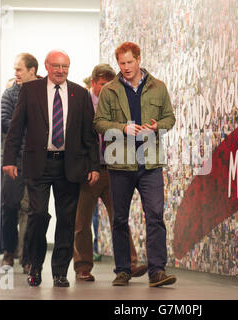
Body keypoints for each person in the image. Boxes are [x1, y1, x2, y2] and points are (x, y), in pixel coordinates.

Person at [3, 49, 100, 288]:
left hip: (70, 164)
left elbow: (89, 135)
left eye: (65, 66)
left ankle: (60, 272)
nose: (60, 71)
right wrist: (9, 160)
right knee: (37, 215)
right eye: (56, 66)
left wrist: (94, 165)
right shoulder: (30, 91)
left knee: (67, 220)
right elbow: (16, 129)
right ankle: (34, 266)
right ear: (46, 66)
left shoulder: (80, 93)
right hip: (38, 163)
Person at [95, 42, 177, 287]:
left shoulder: (158, 87)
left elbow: (170, 118)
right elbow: (99, 123)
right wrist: (122, 128)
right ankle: (122, 270)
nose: (126, 67)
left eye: (130, 62)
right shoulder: (109, 90)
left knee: (155, 216)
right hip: (120, 164)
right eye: (122, 63)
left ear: (139, 59)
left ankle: (157, 271)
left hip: (150, 163)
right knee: (119, 218)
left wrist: (156, 127)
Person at [73, 64, 148, 281]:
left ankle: (129, 264)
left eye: (110, 85)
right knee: (82, 222)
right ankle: (83, 267)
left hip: (114, 169)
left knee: (120, 219)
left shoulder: (115, 102)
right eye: (103, 85)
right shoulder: (81, 103)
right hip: (89, 171)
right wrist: (87, 167)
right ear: (94, 83)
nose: (107, 89)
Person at [1, 53, 39, 273]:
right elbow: (5, 122)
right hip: (14, 160)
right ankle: (9, 251)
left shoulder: (44, 92)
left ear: (31, 70)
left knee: (33, 210)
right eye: (15, 69)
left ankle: (27, 257)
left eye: (19, 69)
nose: (15, 73)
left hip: (37, 160)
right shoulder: (10, 94)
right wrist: (28, 127)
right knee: (10, 206)